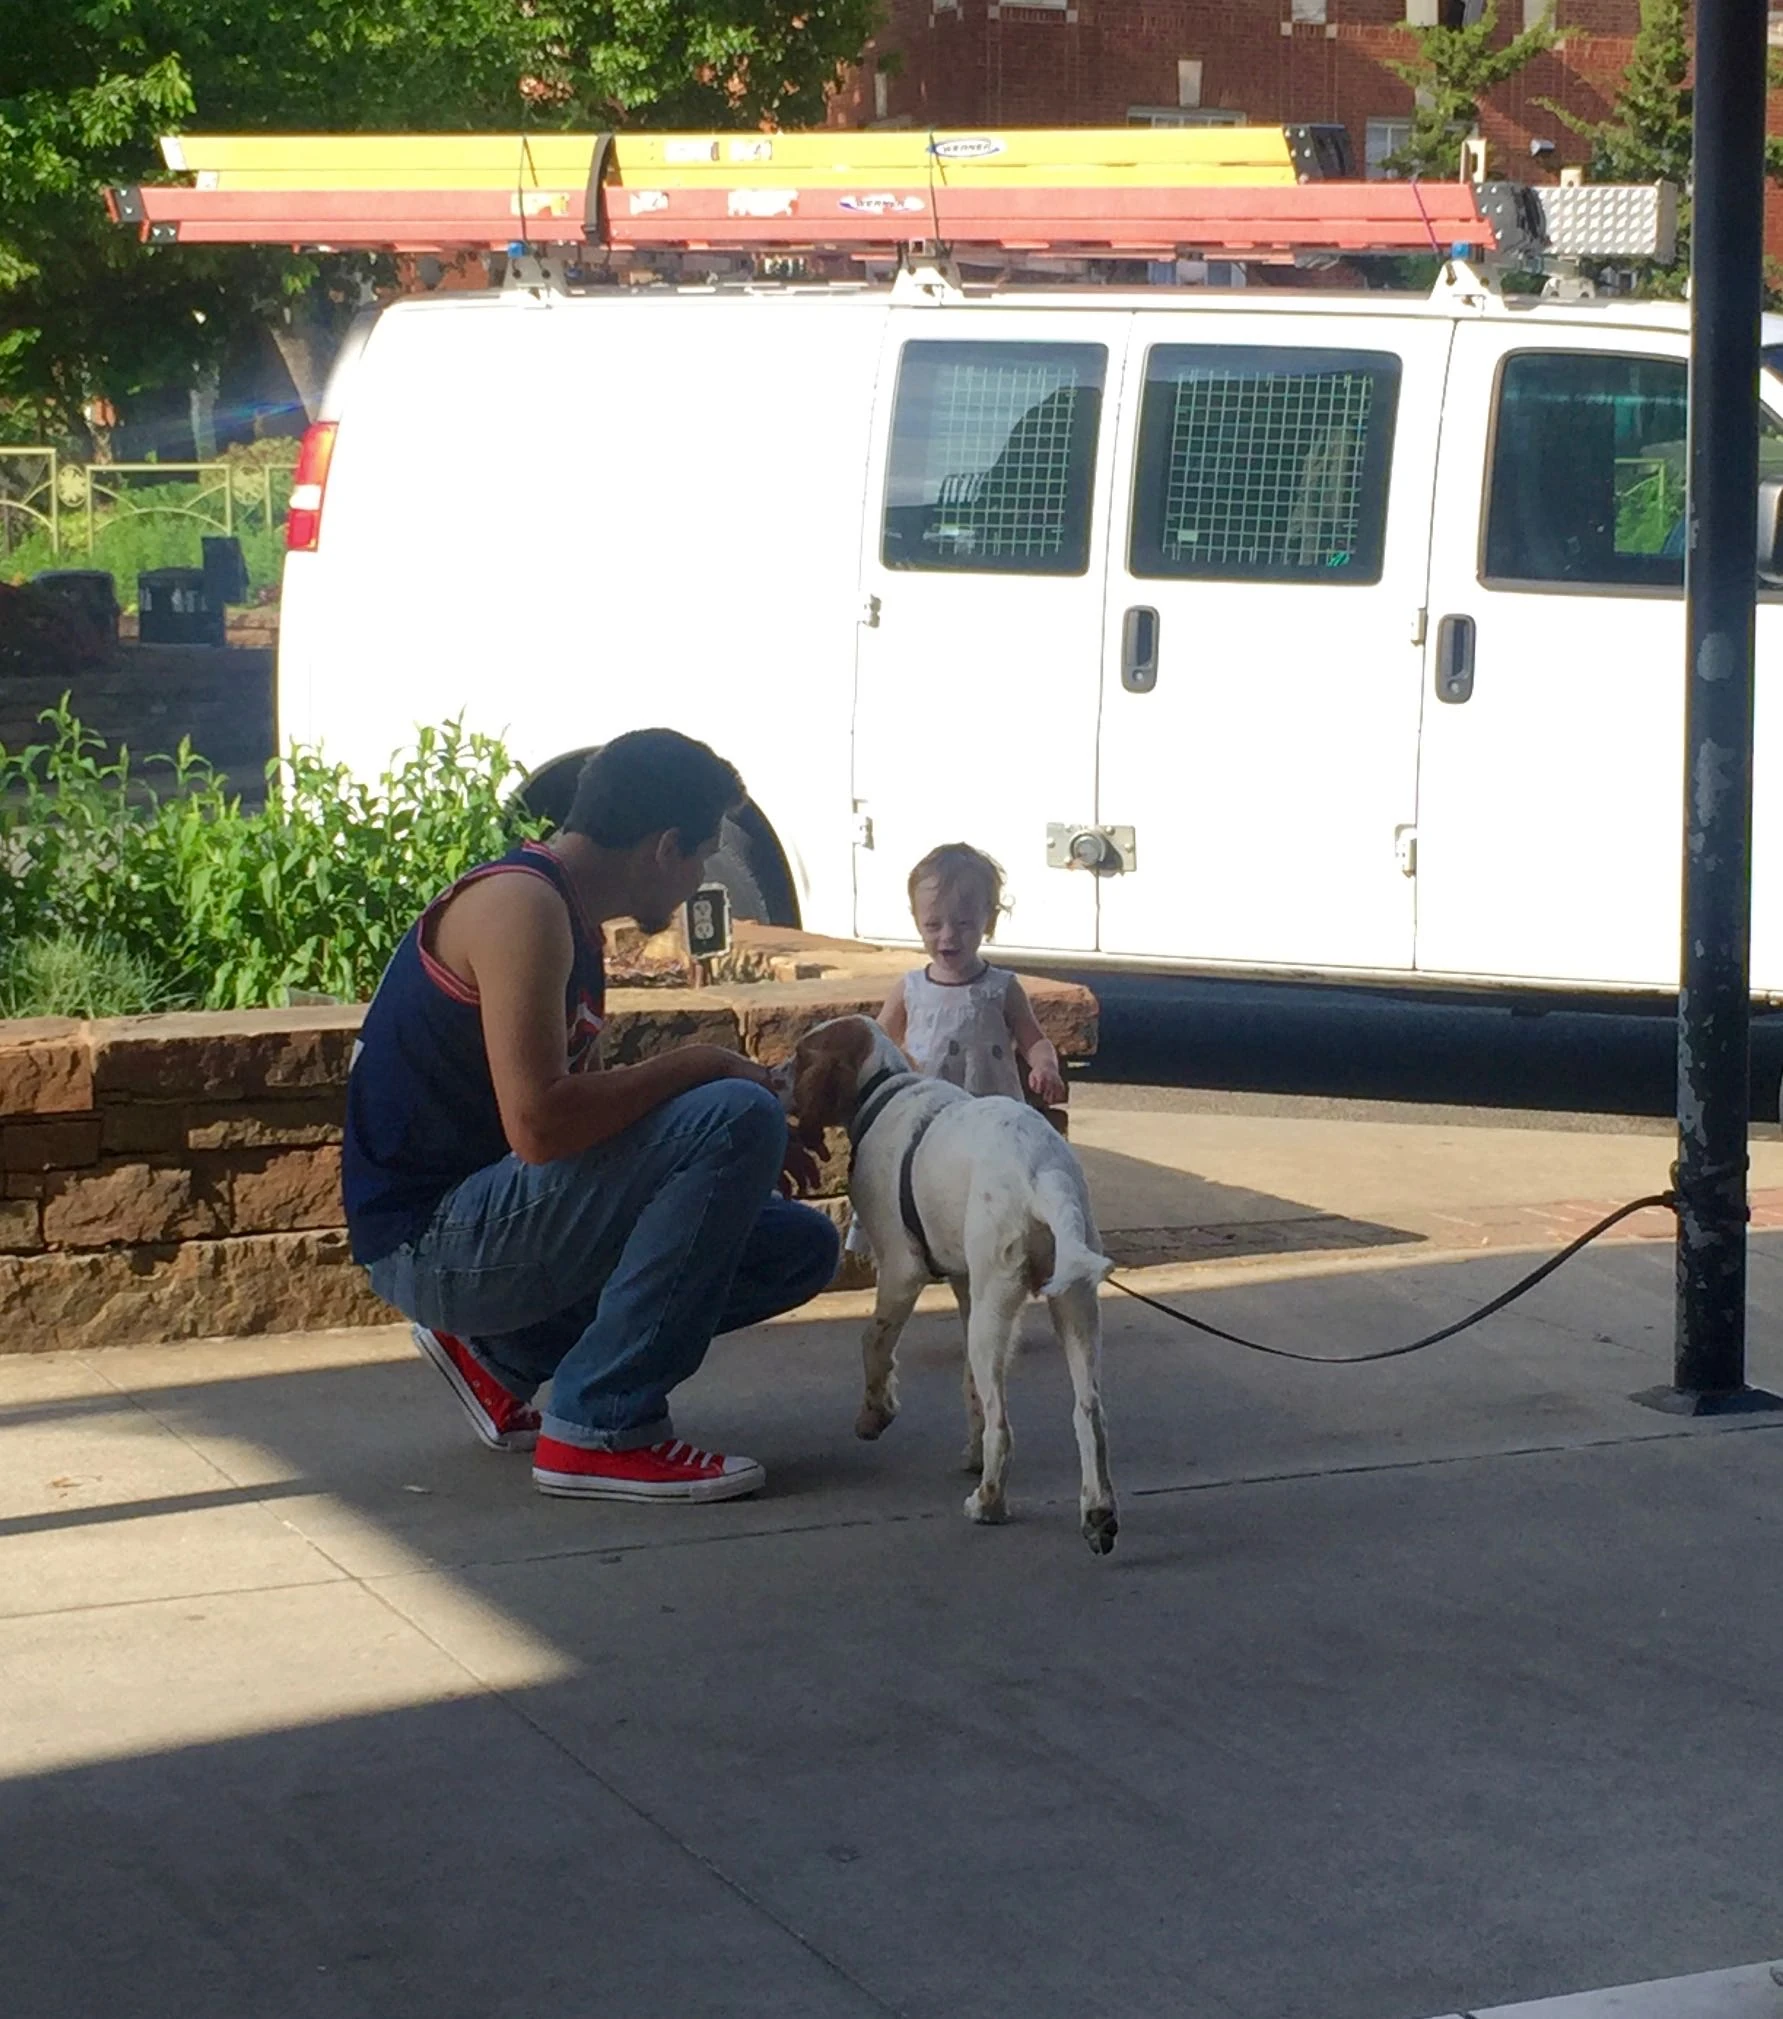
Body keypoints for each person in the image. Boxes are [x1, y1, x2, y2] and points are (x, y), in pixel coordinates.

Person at [341, 728, 838, 1504]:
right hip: (431, 1241)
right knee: (735, 1110)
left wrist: (722, 1168)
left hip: (482, 1223)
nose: (700, 879)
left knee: (797, 1246)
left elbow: (592, 1117)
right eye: (702, 856)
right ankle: (600, 1425)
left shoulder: (565, 911)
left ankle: (500, 1354)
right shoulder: (522, 905)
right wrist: (708, 1070)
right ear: (665, 847)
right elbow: (539, 1126)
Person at [877, 842, 1069, 1107]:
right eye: (933, 925)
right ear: (917, 922)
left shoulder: (1000, 988)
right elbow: (879, 1041)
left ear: (988, 921)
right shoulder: (911, 989)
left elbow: (1034, 1041)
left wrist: (1044, 1066)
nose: (948, 935)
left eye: (964, 924)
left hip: (991, 1112)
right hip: (929, 1112)